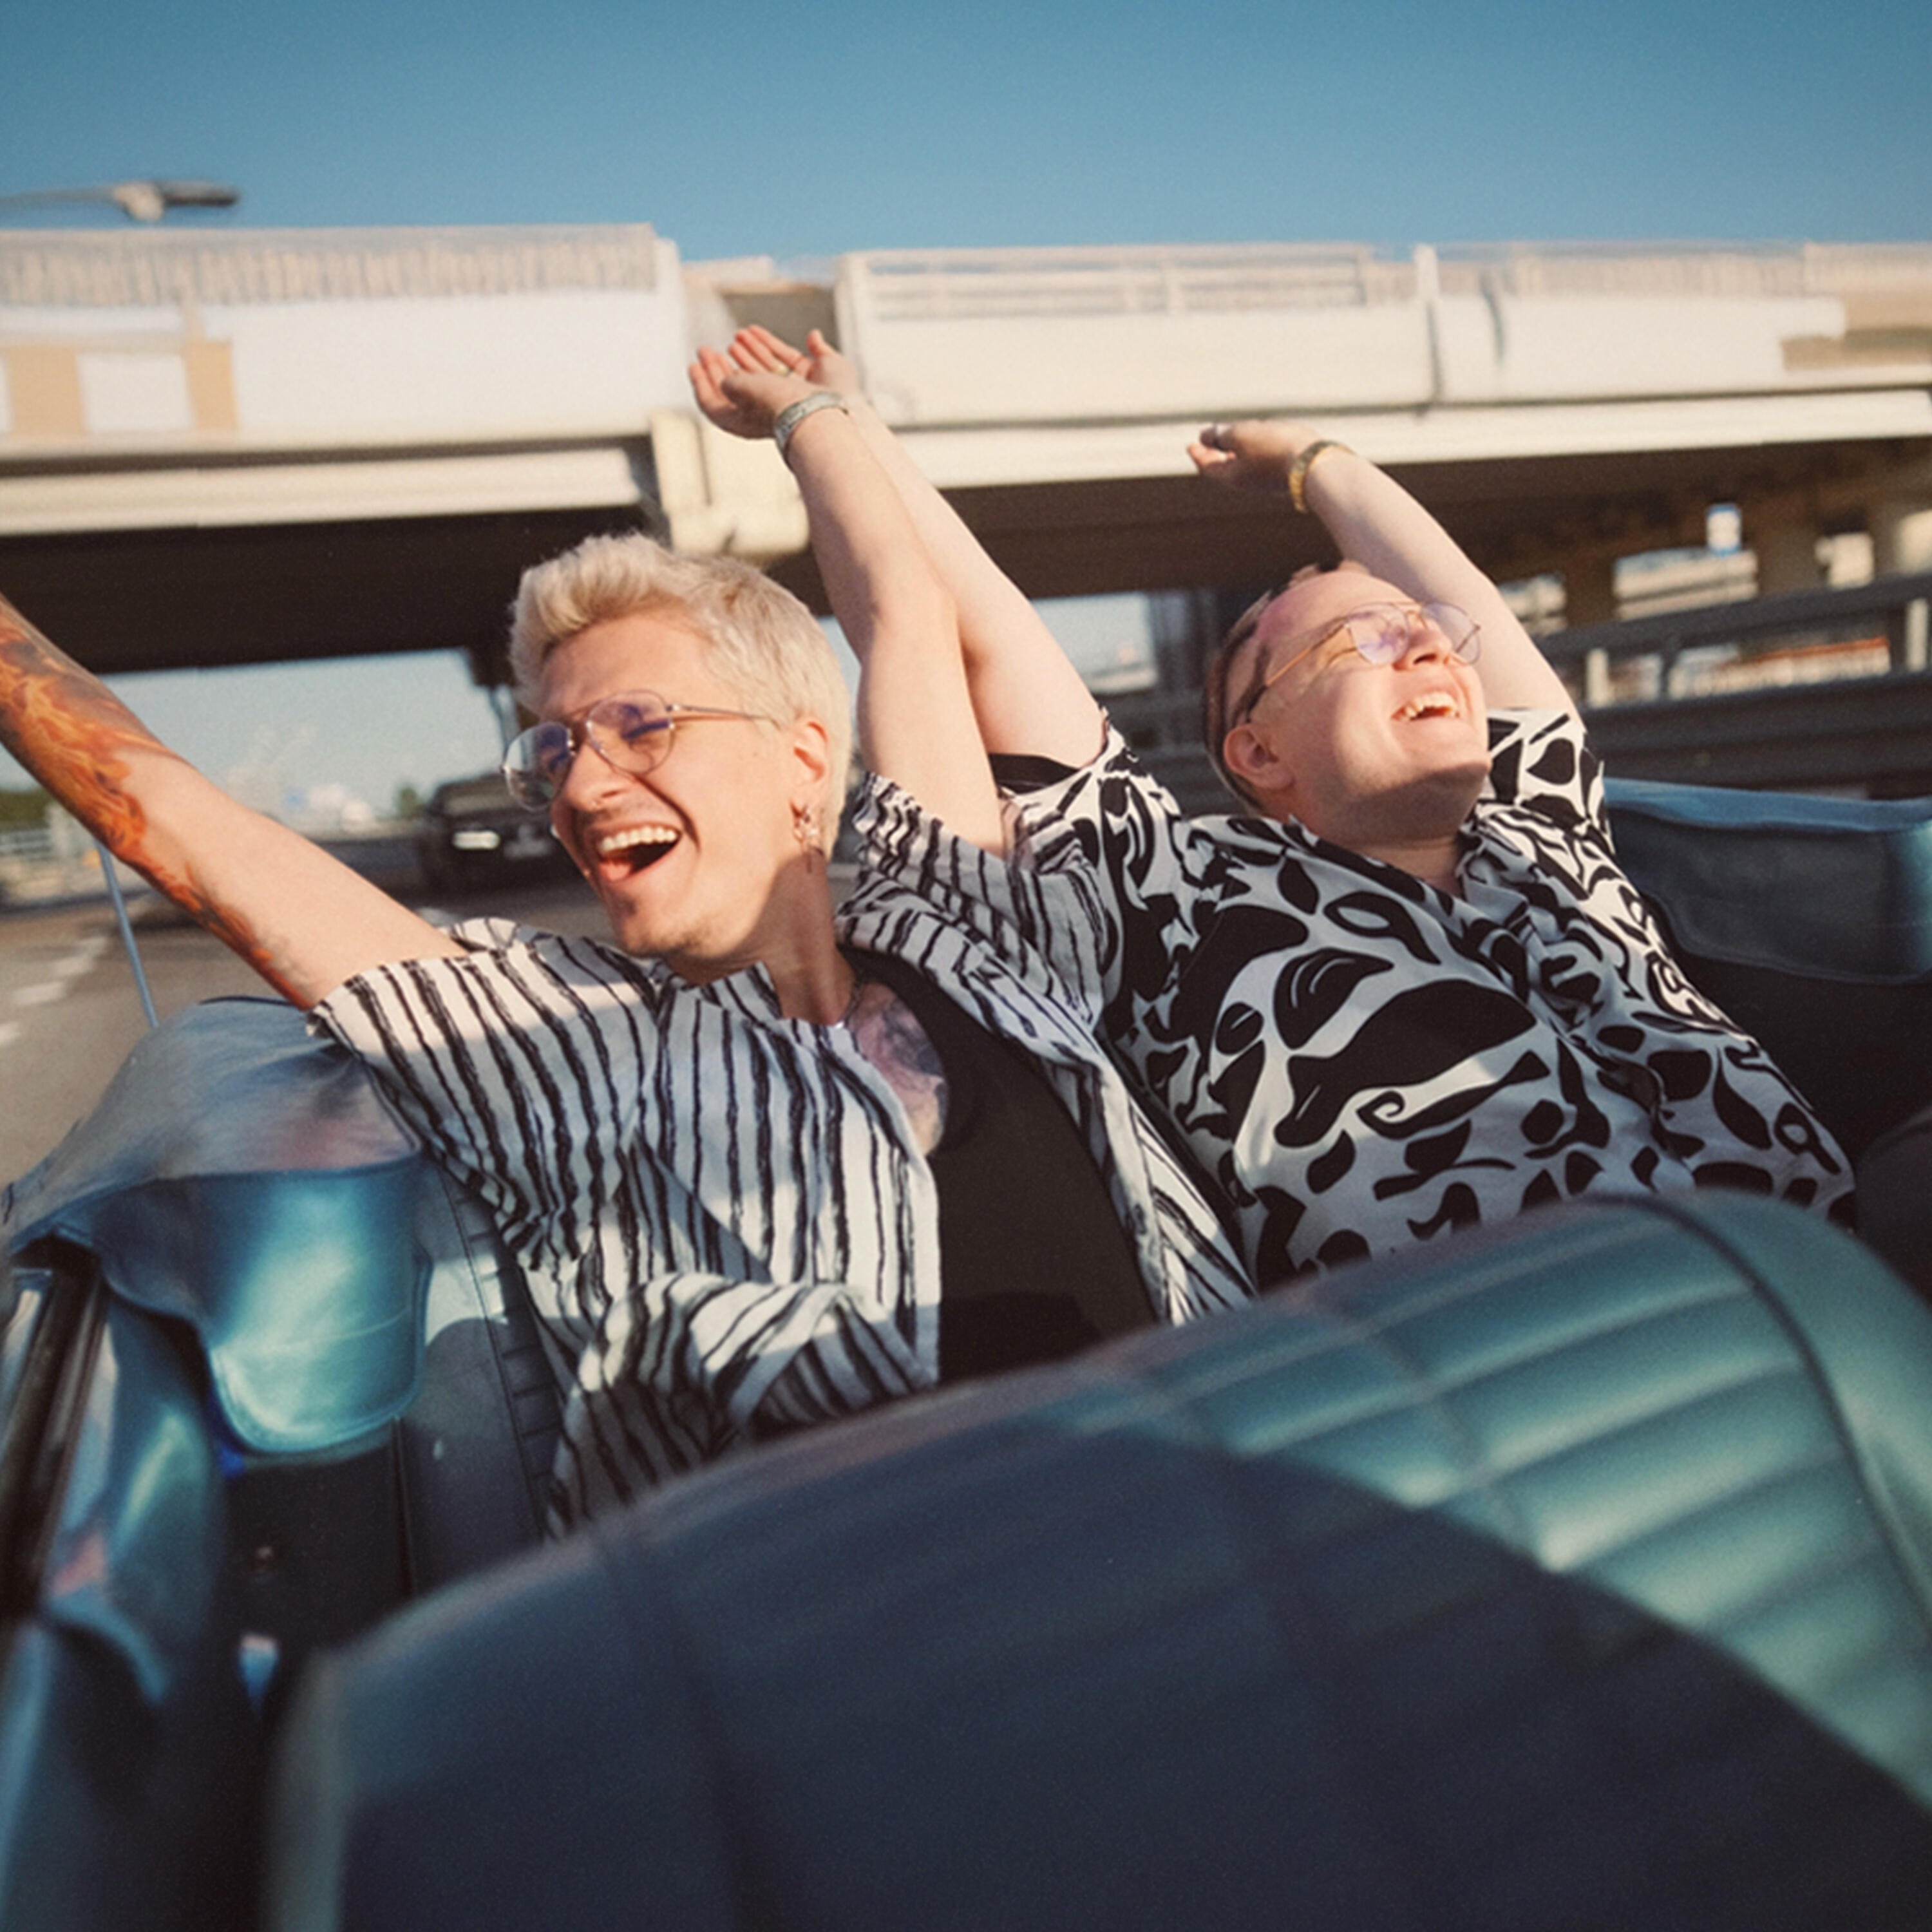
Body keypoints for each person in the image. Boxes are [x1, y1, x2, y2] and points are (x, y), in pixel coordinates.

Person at [0, 375, 1251, 1532]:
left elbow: (907, 612)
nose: (582, 788)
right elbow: (182, 828)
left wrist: (805, 411)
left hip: (1256, 1511)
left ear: (804, 758)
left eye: (639, 726)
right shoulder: (563, 1044)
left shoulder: (964, 928)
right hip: (890, 1614)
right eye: (552, 751)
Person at [703, 328, 1854, 1287]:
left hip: (1838, 1277)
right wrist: (827, 420)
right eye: (1367, 640)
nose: (1432, 651)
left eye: (1431, 639)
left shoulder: (1537, 831)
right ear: (1256, 748)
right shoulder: (1172, 896)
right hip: (1532, 1360)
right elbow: (976, 631)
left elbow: (1467, 610)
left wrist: (1316, 465)